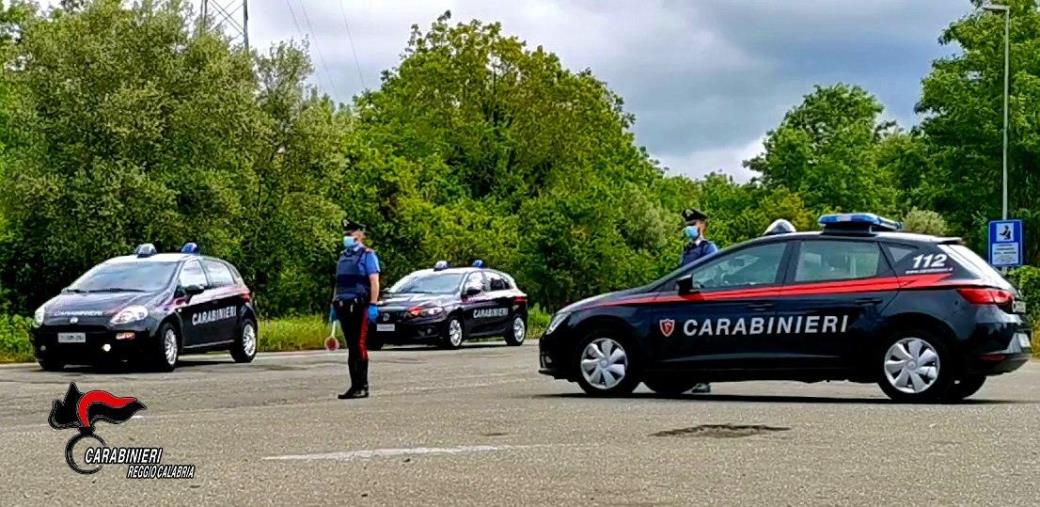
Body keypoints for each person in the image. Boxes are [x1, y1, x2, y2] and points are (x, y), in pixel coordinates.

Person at [332, 219, 381, 399]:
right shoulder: (343, 256)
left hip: (359, 306)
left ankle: (363, 386)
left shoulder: (367, 256)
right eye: (345, 234)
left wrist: (373, 304)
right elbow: (338, 284)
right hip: (343, 305)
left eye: (351, 233)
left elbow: (374, 281)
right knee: (351, 346)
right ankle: (354, 385)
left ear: (360, 235)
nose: (347, 237)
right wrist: (334, 305)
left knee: (359, 346)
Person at [680, 209, 718, 394]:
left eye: (692, 224)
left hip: (702, 298)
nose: (689, 228)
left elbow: (714, 271)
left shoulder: (708, 248)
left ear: (702, 225)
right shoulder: (687, 249)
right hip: (686, 298)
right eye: (687, 225)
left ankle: (704, 379)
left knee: (702, 339)